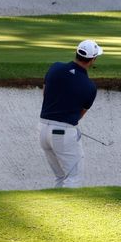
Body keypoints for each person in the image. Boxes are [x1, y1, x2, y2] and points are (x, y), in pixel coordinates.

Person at [39, 39, 103, 188]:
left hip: (42, 129)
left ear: (76, 53)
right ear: (92, 60)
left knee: (60, 177)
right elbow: (80, 115)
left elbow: (45, 93)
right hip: (63, 133)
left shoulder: (55, 68)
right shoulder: (90, 87)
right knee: (74, 178)